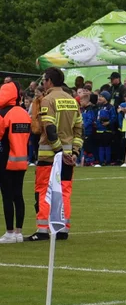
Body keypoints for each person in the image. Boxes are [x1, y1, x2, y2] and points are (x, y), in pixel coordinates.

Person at [27, 68, 82, 241]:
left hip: (49, 156)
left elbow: (49, 128)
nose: (43, 83)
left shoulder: (47, 99)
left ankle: (43, 229)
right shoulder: (72, 100)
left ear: (49, 81)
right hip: (68, 156)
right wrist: (74, 152)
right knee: (64, 191)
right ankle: (63, 228)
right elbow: (79, 130)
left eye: (44, 80)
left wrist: (58, 151)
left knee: (43, 190)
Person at [0, 82, 31, 243]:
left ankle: (9, 232)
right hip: (22, 159)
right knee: (18, 195)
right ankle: (18, 232)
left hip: (4, 159)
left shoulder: (3, 113)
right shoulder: (24, 113)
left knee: (6, 196)